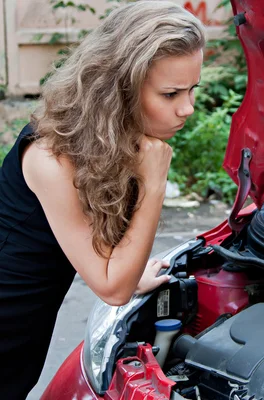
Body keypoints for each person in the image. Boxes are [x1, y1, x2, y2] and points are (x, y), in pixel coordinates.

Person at [0, 1, 206, 398]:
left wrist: (128, 272)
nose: (187, 108)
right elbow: (112, 288)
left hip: (23, 335)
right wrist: (153, 184)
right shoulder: (50, 157)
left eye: (192, 89)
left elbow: (102, 259)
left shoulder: (109, 137)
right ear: (120, 88)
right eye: (170, 93)